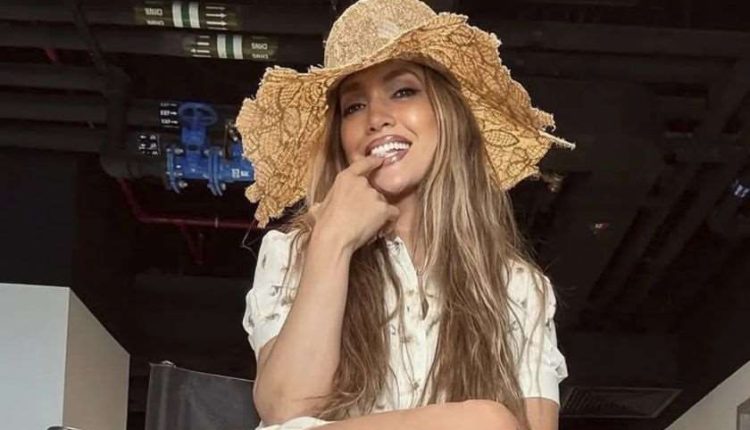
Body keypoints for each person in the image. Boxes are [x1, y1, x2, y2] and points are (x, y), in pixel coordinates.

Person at [236, 0, 574, 429]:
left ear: (448, 116)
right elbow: (285, 410)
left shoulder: (518, 287)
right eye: (353, 107)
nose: (377, 118)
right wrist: (333, 241)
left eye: (403, 91)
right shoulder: (295, 252)